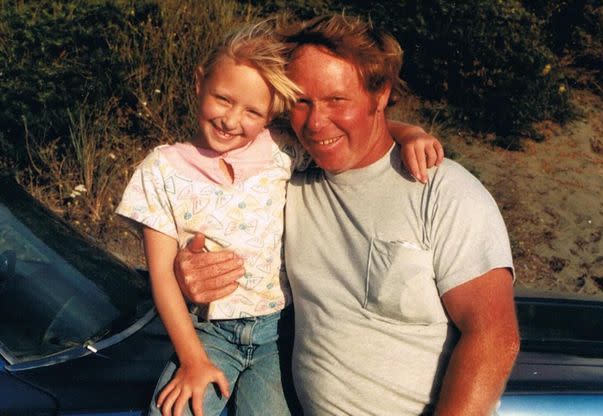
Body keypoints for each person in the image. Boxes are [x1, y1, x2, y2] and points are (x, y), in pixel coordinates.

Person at [174, 14, 520, 416]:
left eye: (337, 101)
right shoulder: (284, 177)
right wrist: (189, 276)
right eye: (302, 102)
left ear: (380, 94)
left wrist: (408, 134)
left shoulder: (442, 191)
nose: (317, 123)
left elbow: (494, 337)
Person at [117, 19, 443, 416]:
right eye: (222, 98)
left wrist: (408, 132)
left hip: (280, 335)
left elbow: (354, 135)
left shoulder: (279, 152)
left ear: (270, 116)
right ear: (199, 81)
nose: (232, 120)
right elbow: (163, 275)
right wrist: (192, 358)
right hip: (208, 335)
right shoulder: (161, 170)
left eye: (252, 111)